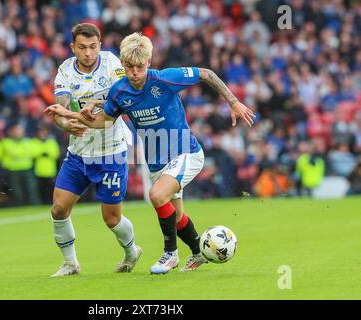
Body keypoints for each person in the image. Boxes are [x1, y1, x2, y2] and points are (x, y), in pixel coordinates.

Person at [45, 32, 255, 274]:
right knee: (176, 217)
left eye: (140, 66)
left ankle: (171, 254)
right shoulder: (119, 91)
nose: (135, 72)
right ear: (123, 65)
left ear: (149, 62)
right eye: (130, 67)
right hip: (156, 160)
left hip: (185, 152)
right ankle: (198, 252)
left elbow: (206, 74)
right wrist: (71, 116)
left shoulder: (165, 79)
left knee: (156, 195)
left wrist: (233, 102)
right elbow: (105, 122)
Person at [49, 23, 142, 277]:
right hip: (78, 155)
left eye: (92, 47)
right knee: (58, 209)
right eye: (82, 48)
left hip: (111, 152)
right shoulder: (65, 70)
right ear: (73, 48)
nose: (88, 53)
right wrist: (65, 122)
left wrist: (95, 107)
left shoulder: (113, 64)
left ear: (99, 45)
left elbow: (121, 103)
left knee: (111, 219)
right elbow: (61, 108)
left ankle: (132, 250)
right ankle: (70, 263)